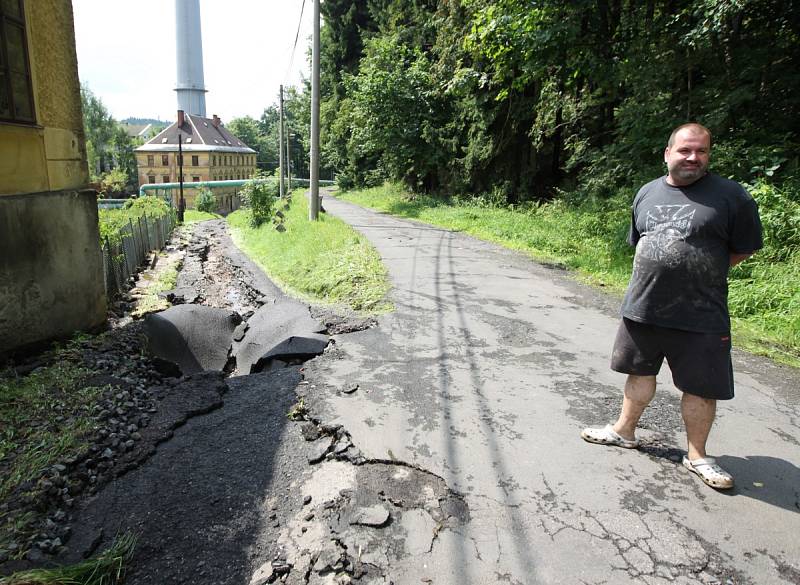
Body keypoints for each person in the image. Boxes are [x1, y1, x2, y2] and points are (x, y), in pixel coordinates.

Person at [581, 123, 763, 490]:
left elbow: (743, 247)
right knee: (639, 373)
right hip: (644, 307)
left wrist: (701, 271)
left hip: (702, 313)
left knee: (700, 387)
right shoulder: (647, 193)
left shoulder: (731, 196)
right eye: (685, 150)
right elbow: (642, 241)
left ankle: (698, 456)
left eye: (702, 151)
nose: (693, 157)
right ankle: (624, 431)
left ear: (708, 155)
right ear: (668, 153)